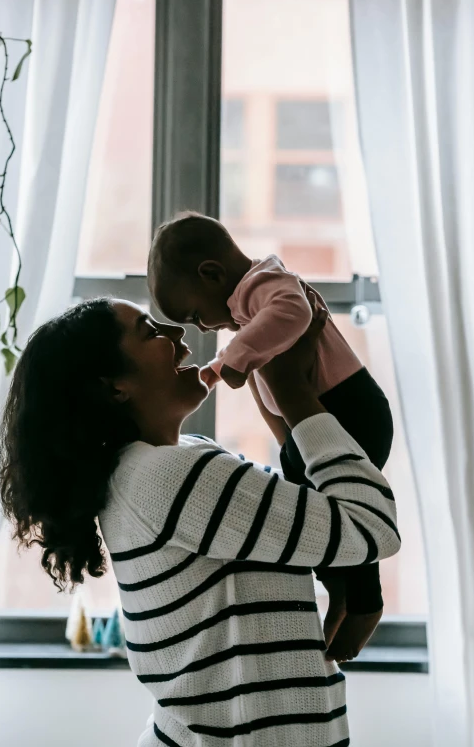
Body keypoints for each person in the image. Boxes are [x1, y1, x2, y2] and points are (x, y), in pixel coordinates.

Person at [0, 297, 400, 747]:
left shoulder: (179, 459)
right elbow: (370, 527)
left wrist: (272, 389)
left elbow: (303, 520)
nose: (179, 336)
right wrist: (293, 394)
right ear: (114, 388)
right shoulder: (168, 477)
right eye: (151, 332)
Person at [148, 211, 394, 657]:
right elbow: (269, 370)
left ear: (212, 273)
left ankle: (365, 601)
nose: (202, 327)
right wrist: (230, 373)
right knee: (313, 509)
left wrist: (233, 360)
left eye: (195, 315)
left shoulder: (266, 283)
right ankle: (340, 588)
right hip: (312, 424)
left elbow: (294, 311)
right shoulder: (247, 310)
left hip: (350, 410)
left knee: (341, 510)